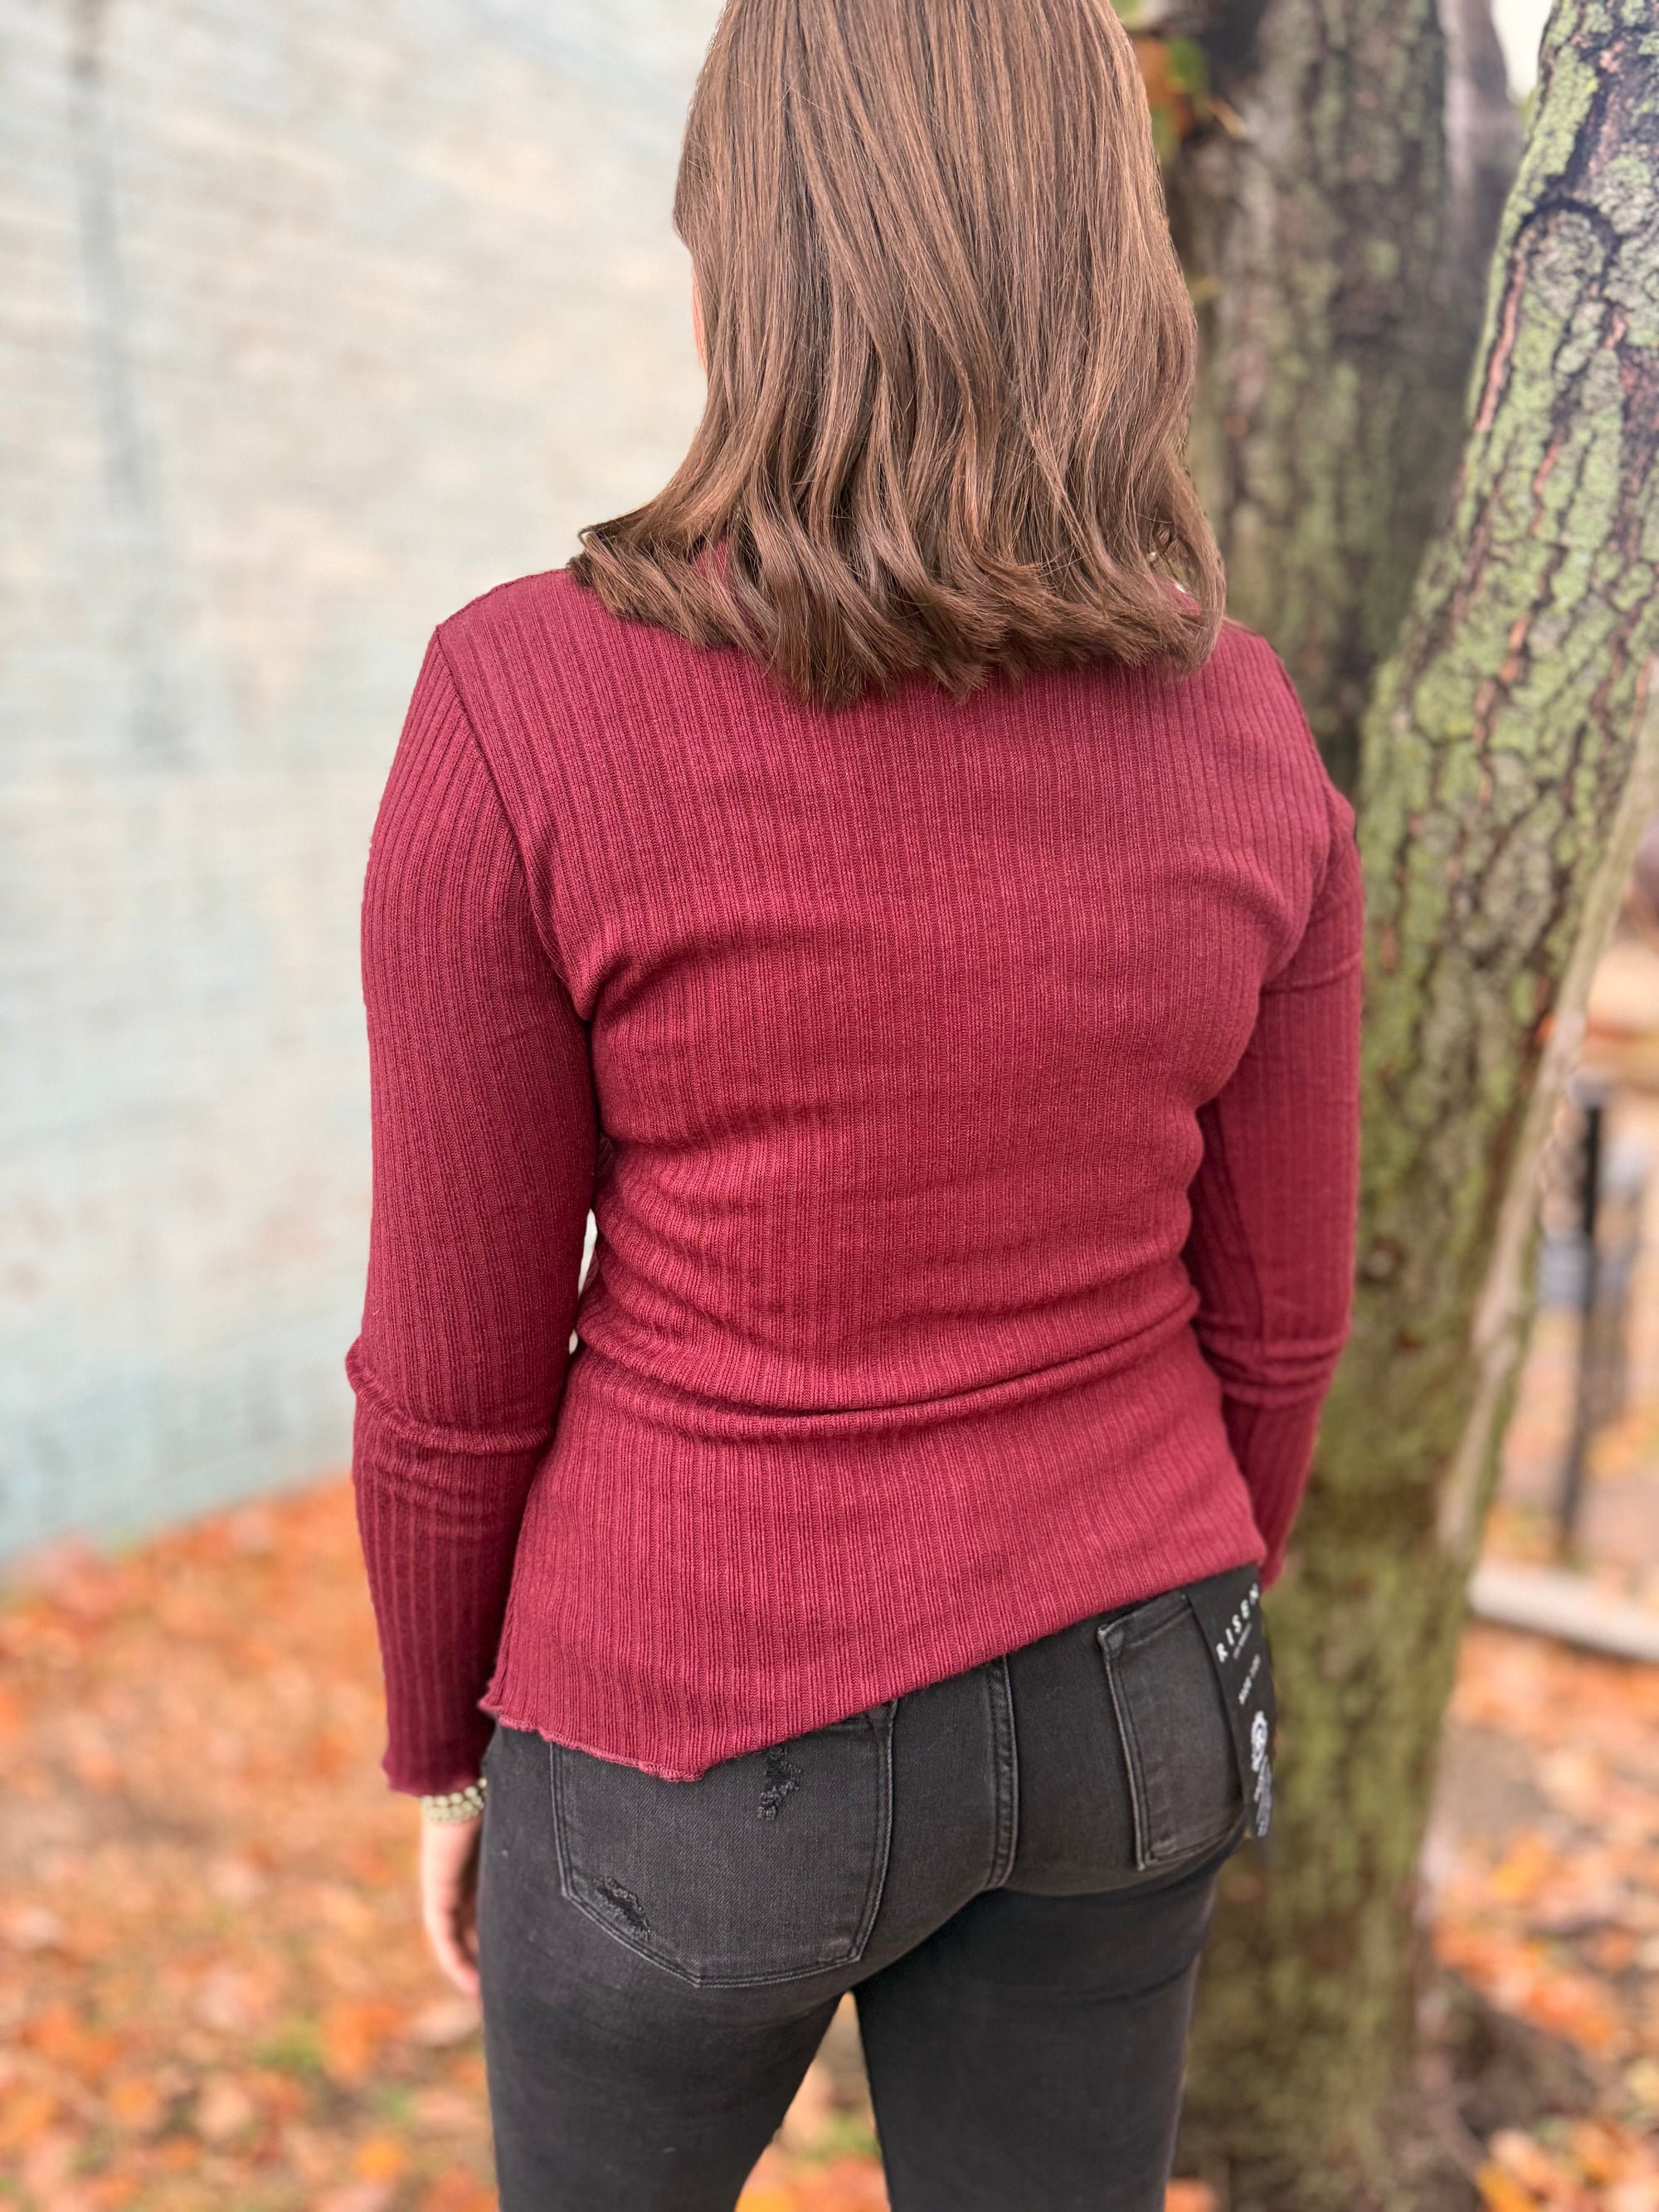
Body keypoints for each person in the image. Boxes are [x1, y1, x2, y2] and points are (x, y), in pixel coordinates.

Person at [344, 0, 1365, 2205]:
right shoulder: (1243, 726)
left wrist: (445, 1744)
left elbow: (451, 1368)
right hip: (1131, 1694)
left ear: (743, 235)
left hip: (681, 1726)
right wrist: (1165, 1587)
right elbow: (1284, 1324)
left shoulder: (521, 701)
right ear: (1105, 253)